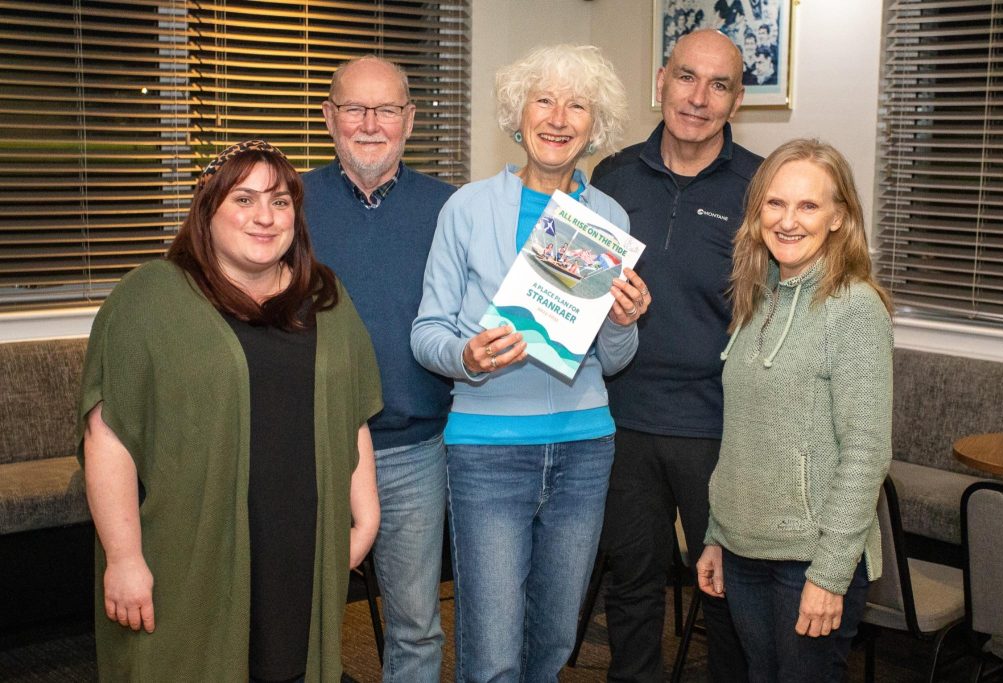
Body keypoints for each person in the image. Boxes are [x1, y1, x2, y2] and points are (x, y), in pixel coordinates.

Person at [79, 140, 382, 682]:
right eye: (244, 199)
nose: (265, 217)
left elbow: (352, 412)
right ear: (207, 210)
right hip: (191, 542)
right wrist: (124, 558)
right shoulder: (149, 298)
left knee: (289, 663)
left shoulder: (326, 296)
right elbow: (108, 436)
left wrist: (366, 514)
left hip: (298, 538)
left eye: (281, 200)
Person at [410, 44, 649, 682]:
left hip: (583, 448)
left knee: (554, 644)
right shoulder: (466, 208)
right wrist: (466, 355)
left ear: (593, 126)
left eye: (577, 104)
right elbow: (426, 332)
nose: (559, 116)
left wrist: (623, 321)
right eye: (544, 99)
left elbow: (613, 361)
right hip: (487, 452)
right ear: (519, 115)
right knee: (490, 654)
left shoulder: (606, 219)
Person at [590, 28, 760, 683]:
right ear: (661, 82)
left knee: (723, 594)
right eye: (687, 78)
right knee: (631, 586)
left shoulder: (759, 185)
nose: (699, 97)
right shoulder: (613, 175)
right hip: (623, 418)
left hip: (719, 427)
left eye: (719, 85)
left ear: (736, 100)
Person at [696, 138, 894, 682]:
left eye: (808, 205)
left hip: (809, 559)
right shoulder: (756, 296)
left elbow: (866, 452)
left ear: (839, 217)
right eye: (775, 203)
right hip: (741, 549)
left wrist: (830, 574)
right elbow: (740, 437)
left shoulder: (853, 307)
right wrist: (716, 535)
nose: (788, 220)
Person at [303, 56, 455, 683]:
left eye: (386, 109)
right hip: (308, 447)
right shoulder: (286, 204)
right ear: (328, 117)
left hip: (413, 450)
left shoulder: (452, 208)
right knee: (299, 612)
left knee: (416, 622)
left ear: (410, 119)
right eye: (354, 108)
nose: (370, 124)